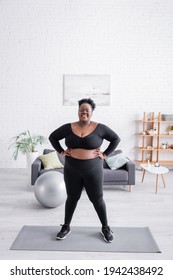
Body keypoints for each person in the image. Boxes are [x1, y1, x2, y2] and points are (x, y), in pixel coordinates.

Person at [49, 98, 120, 243]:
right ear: (78, 111)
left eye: (87, 110)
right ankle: (66, 226)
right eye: (81, 110)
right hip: (72, 169)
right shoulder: (68, 127)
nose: (84, 112)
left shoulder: (100, 128)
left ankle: (105, 227)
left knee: (97, 199)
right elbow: (53, 137)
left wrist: (105, 154)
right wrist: (61, 151)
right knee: (72, 198)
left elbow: (115, 139)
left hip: (93, 169)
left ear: (92, 113)